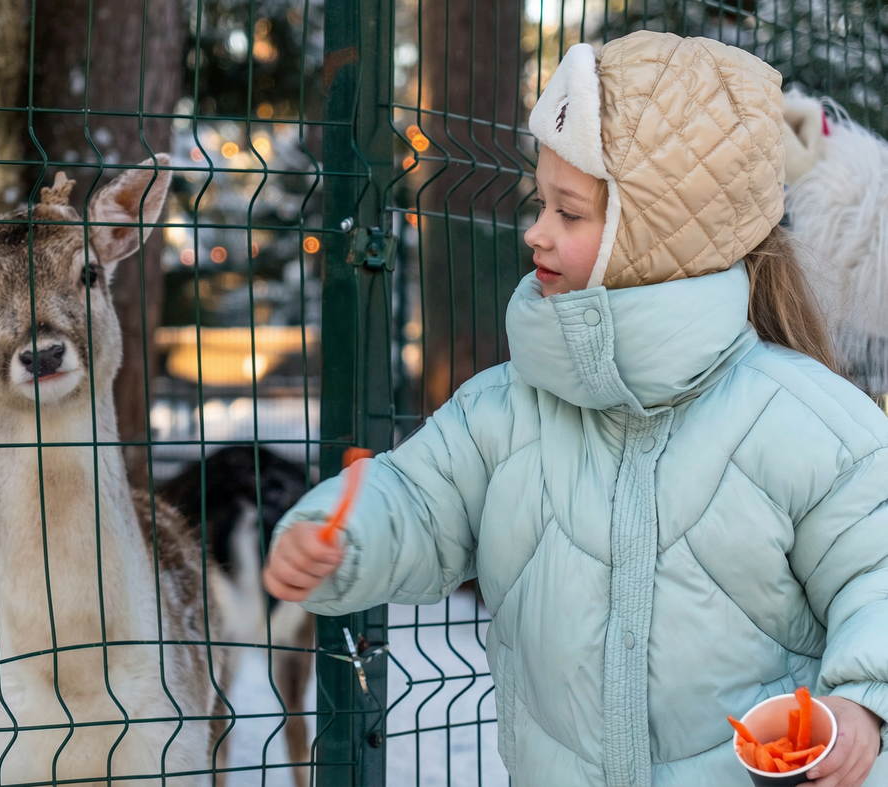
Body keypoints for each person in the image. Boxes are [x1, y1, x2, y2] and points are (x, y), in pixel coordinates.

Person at [263, 30, 888, 787]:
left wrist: (863, 704)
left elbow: (877, 569)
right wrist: (344, 536)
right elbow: (420, 502)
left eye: (569, 212)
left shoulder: (804, 421)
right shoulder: (506, 410)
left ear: (653, 238)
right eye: (540, 204)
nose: (537, 231)